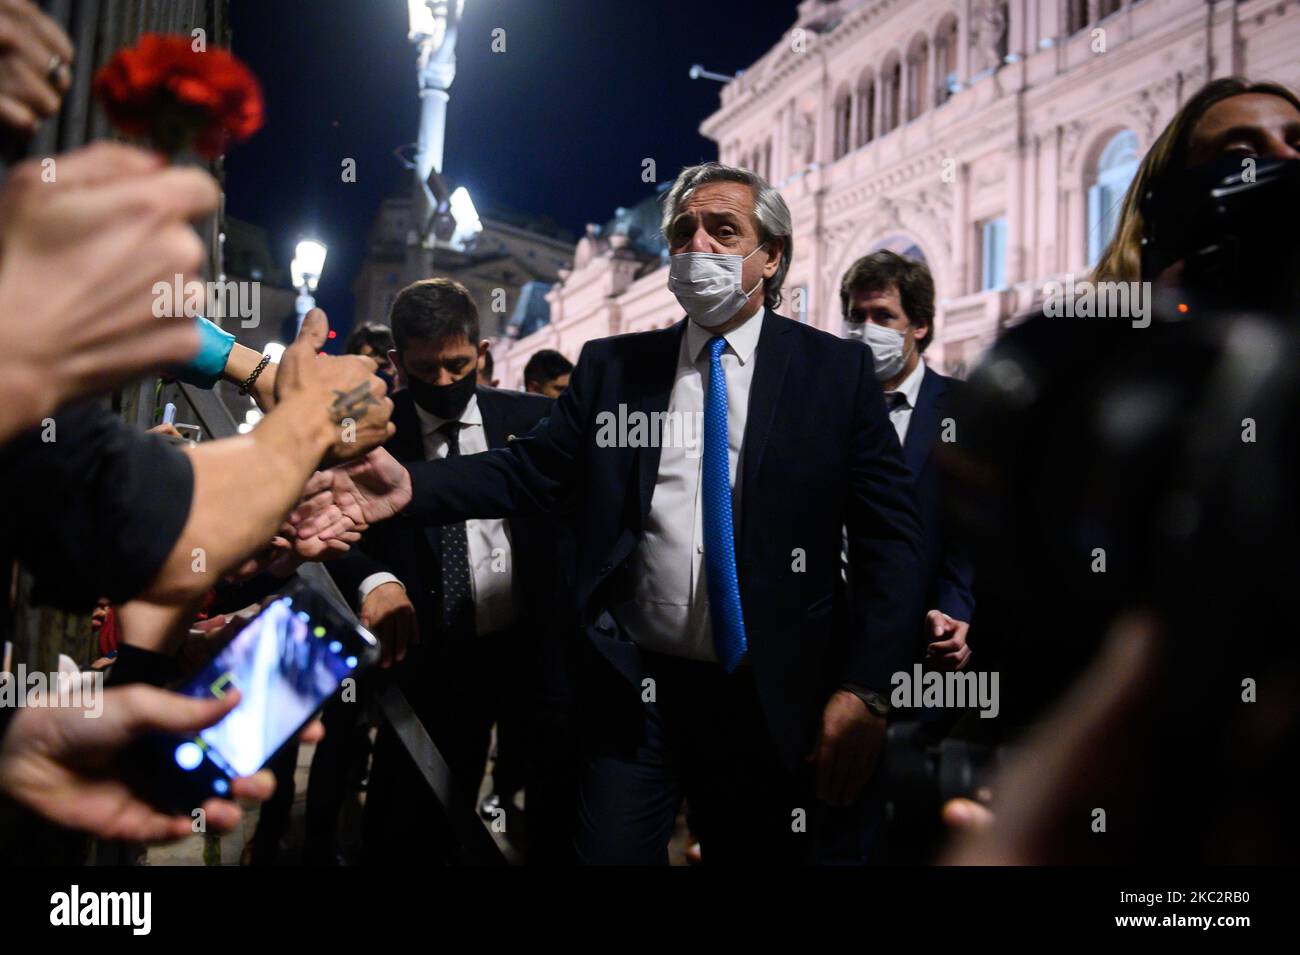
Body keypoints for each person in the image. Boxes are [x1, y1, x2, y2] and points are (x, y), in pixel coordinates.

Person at [291, 161, 924, 864]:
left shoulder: (834, 375)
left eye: (724, 230)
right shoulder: (616, 368)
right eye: (684, 231)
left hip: (774, 697)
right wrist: (409, 488)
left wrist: (866, 688)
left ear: (770, 256)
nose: (698, 247)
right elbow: (532, 469)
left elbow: (892, 539)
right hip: (638, 699)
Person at [325, 278, 576, 864]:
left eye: (457, 365)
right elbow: (330, 533)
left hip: (531, 655)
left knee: (552, 818)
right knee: (412, 824)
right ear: (396, 363)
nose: (442, 382)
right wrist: (375, 579)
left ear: (482, 354)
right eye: (424, 368)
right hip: (429, 662)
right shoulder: (365, 436)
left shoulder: (537, 421)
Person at [841, 251, 974, 673]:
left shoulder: (963, 410)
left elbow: (969, 535)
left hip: (922, 653)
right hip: (829, 650)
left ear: (919, 325)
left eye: (883, 316)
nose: (867, 330)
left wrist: (952, 612)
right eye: (857, 316)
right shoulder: (824, 407)